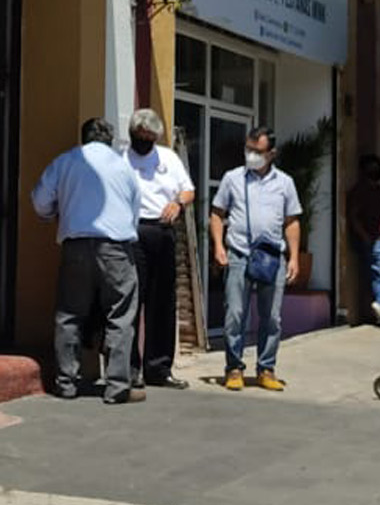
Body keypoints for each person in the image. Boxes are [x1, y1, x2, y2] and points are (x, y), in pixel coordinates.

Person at [32, 117, 145, 405]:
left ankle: (66, 382)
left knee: (70, 314)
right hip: (117, 248)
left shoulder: (66, 161)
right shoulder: (124, 167)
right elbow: (135, 211)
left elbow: (40, 200)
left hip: (76, 247)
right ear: (110, 140)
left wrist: (52, 214)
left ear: (83, 138)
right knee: (120, 316)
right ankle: (117, 386)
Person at [211, 127, 304, 392]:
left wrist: (294, 257)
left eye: (258, 151)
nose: (251, 155)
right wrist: (218, 246)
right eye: (248, 149)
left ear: (271, 154)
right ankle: (234, 368)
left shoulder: (284, 183)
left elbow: (292, 222)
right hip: (239, 254)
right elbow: (217, 213)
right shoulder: (233, 178)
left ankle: (266, 368)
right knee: (235, 314)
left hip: (272, 257)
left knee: (271, 317)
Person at [125, 108, 194, 389]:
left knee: (162, 302)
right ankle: (129, 368)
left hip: (163, 230)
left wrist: (178, 203)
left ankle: (159, 368)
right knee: (131, 300)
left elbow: (188, 189)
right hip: (132, 232)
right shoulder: (122, 159)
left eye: (149, 138)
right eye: (139, 137)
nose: (144, 142)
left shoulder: (168, 157)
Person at [347, 153, 380, 326]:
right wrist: (365, 237)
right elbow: (353, 217)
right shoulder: (359, 191)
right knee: (377, 274)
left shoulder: (378, 190)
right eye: (371, 168)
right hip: (371, 241)